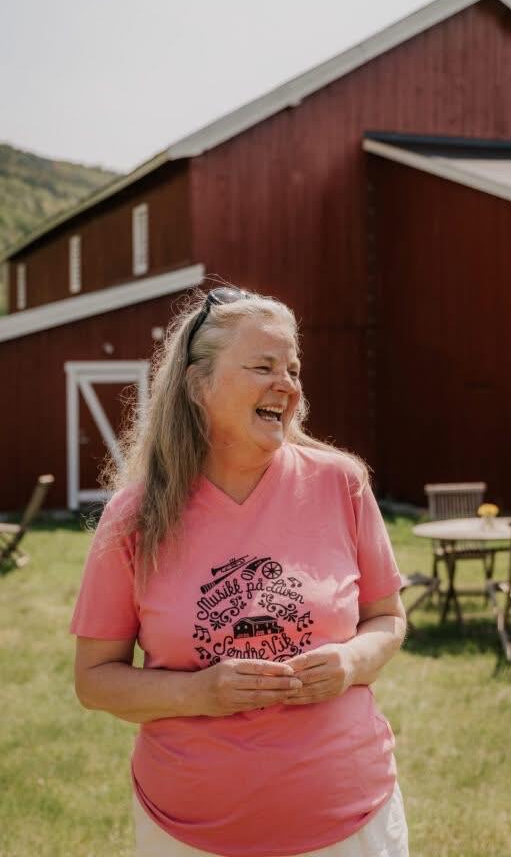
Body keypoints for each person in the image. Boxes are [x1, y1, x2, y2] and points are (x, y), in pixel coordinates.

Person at [71, 286, 409, 857]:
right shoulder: (134, 517)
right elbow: (94, 679)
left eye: (293, 368)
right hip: (187, 833)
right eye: (263, 366)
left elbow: (387, 617)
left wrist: (351, 662)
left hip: (352, 823)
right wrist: (200, 693)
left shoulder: (341, 483)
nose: (288, 383)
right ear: (199, 385)